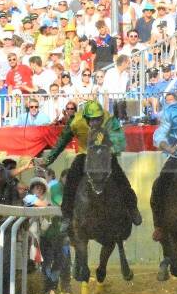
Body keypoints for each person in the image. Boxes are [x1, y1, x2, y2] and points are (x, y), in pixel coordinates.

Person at [36, 100, 142, 238]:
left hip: (105, 153)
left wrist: (110, 150)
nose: (95, 123)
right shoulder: (75, 122)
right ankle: (67, 216)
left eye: (98, 119)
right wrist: (48, 160)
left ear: (102, 117)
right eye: (91, 120)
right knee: (71, 181)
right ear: (85, 118)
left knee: (121, 179)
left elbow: (120, 140)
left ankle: (132, 208)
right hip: (84, 155)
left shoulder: (110, 119)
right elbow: (62, 141)